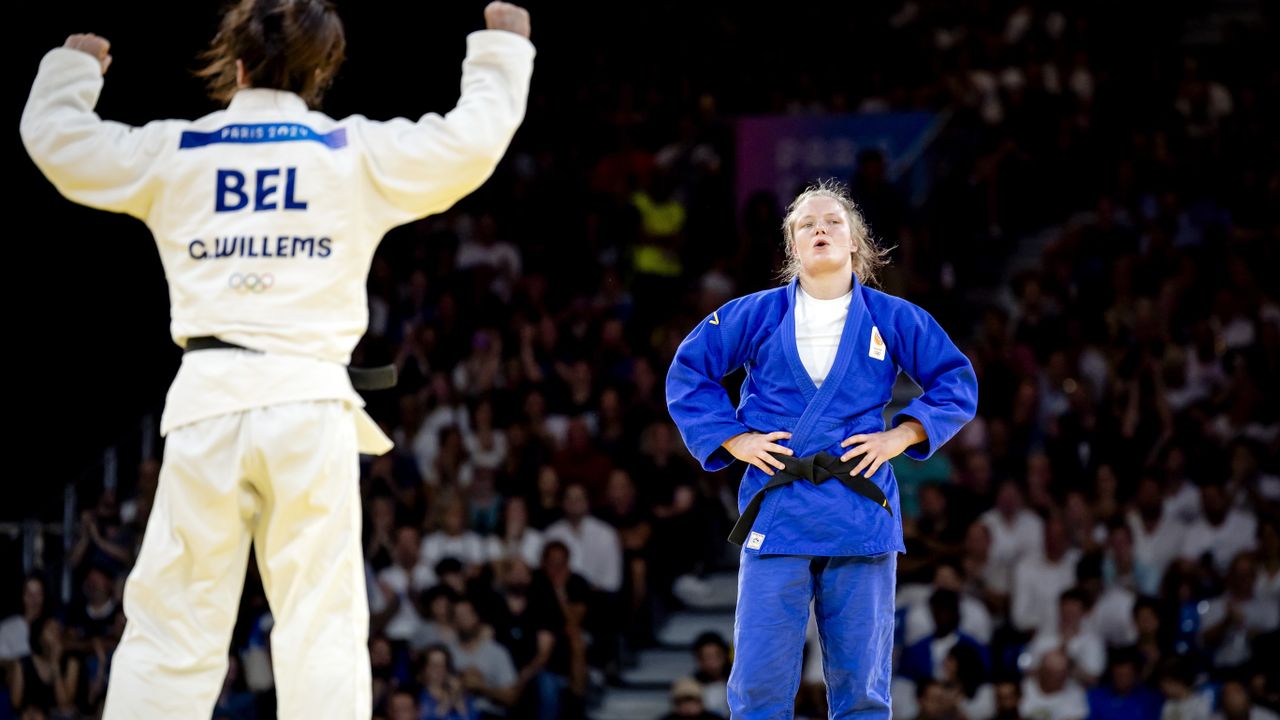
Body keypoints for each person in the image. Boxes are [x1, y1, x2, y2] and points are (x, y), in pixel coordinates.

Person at [19, 1, 534, 718]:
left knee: (173, 628)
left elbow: (60, 144)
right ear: (320, 72)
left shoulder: (182, 151)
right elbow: (469, 143)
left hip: (208, 403)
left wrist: (71, 71)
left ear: (235, 67)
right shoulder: (351, 152)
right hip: (308, 407)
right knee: (320, 627)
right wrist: (501, 55)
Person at [667, 180, 977, 717]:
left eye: (833, 221)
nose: (820, 230)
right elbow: (688, 371)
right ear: (793, 246)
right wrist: (735, 439)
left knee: (861, 689)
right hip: (780, 507)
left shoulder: (892, 316)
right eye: (806, 224)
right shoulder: (757, 314)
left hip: (858, 509)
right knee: (759, 688)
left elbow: (957, 381)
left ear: (855, 241)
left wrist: (901, 435)